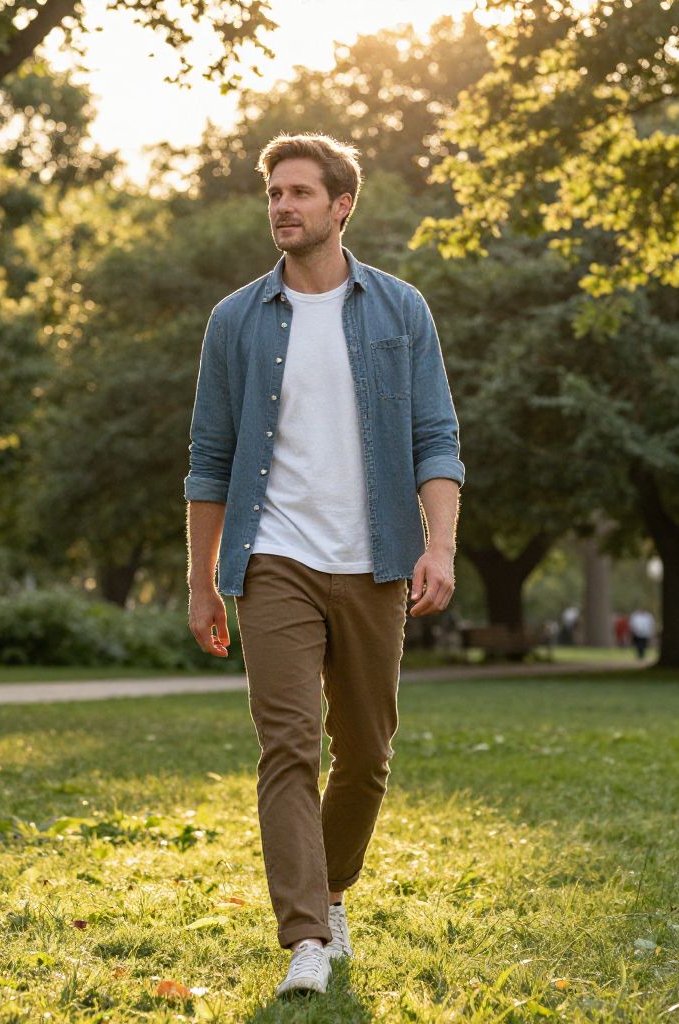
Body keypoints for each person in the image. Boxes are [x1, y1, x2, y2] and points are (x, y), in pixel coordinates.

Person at [184, 133, 464, 998]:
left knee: (368, 753)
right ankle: (306, 935)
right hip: (275, 561)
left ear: (341, 206)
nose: (282, 207)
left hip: (375, 557)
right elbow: (208, 457)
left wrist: (439, 543)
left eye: (299, 192)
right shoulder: (235, 320)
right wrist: (202, 580)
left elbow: (435, 437)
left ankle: (331, 889)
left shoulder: (400, 309)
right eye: (274, 192)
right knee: (288, 748)